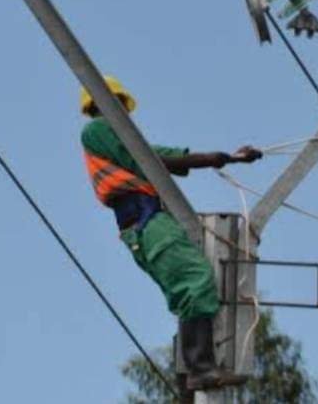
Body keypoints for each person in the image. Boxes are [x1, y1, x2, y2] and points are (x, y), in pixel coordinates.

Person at [79, 76, 262, 391]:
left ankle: (194, 371)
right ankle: (200, 369)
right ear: (107, 103)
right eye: (121, 105)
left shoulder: (115, 136)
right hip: (143, 221)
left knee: (191, 286)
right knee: (194, 280)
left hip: (148, 219)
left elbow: (156, 153)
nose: (125, 112)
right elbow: (151, 159)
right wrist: (211, 159)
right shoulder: (97, 129)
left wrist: (225, 158)